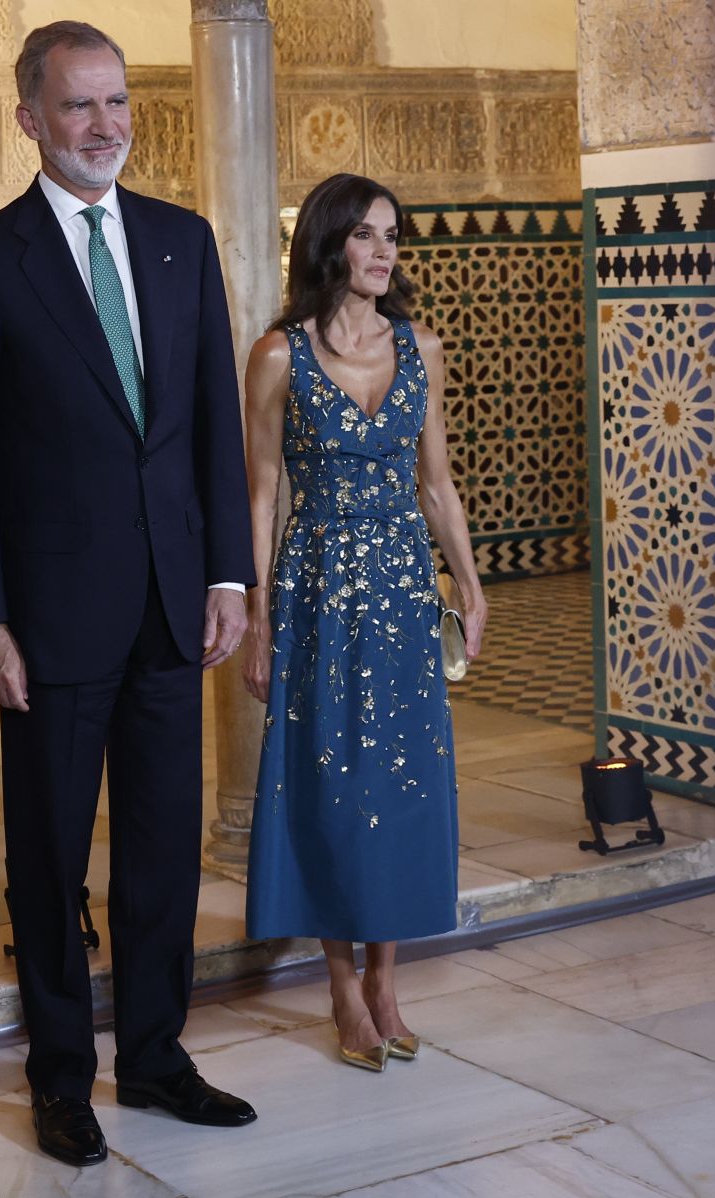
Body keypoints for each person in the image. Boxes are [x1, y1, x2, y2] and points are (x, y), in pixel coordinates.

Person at [0, 21, 258, 1167]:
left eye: (117, 104)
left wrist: (228, 572)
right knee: (49, 855)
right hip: (52, 620)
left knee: (163, 847)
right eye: (79, 107)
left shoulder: (180, 240)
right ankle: (61, 1074)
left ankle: (159, 1057)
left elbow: (212, 419)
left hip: (175, 604)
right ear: (29, 118)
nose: (105, 126)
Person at [240, 173, 488, 1071]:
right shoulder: (278, 355)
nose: (386, 252)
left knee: (403, 783)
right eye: (368, 235)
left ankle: (388, 979)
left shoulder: (423, 346)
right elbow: (261, 494)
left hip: (400, 592)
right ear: (329, 244)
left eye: (394, 236)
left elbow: (437, 482)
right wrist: (259, 618)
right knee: (332, 786)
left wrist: (467, 580)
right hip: (314, 591)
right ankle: (343, 987)